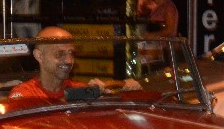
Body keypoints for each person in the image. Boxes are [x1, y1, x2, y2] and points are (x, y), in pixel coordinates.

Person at [9, 26, 141, 102]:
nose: (68, 60)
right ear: (39, 56)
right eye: (59, 54)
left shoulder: (79, 90)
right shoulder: (24, 94)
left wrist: (115, 94)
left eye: (71, 53)